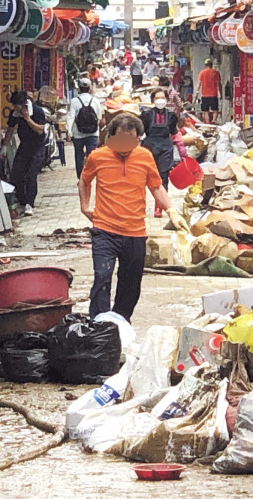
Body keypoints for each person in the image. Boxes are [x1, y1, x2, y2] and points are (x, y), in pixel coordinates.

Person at [79, 113, 189, 321]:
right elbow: (84, 181)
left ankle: (120, 320)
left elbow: (156, 186)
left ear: (138, 138)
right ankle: (100, 323)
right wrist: (85, 207)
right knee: (102, 276)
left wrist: (172, 211)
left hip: (135, 231)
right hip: (104, 230)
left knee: (131, 282)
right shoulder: (97, 156)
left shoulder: (145, 156)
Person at [141, 88, 187, 217]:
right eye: (157, 98)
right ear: (152, 100)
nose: (160, 100)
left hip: (165, 148)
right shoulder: (146, 115)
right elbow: (140, 132)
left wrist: (182, 151)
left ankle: (159, 206)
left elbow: (174, 133)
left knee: (163, 178)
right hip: (149, 147)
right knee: (143, 177)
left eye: (162, 98)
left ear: (166, 100)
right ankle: (140, 205)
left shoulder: (171, 116)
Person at [2, 90, 47, 216]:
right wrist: (4, 146)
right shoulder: (15, 114)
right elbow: (10, 130)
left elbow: (40, 130)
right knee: (17, 172)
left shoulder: (37, 111)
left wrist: (28, 119)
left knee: (31, 175)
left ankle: (30, 203)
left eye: (17, 105)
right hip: (24, 145)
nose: (15, 108)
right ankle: (22, 201)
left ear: (23, 104)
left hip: (37, 146)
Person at [66, 78, 102, 179]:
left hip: (78, 134)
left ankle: (81, 177)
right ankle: (91, 175)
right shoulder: (95, 100)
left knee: (79, 156)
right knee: (92, 156)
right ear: (90, 88)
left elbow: (70, 116)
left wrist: (69, 131)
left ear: (79, 88)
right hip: (93, 133)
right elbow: (99, 117)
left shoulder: (74, 101)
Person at [195, 58, 221, 124]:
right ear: (211, 65)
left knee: (205, 111)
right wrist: (219, 93)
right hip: (213, 95)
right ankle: (214, 121)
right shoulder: (216, 73)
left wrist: (196, 93)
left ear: (205, 65)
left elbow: (199, 84)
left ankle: (207, 123)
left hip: (204, 95)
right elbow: (218, 84)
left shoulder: (202, 73)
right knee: (215, 110)